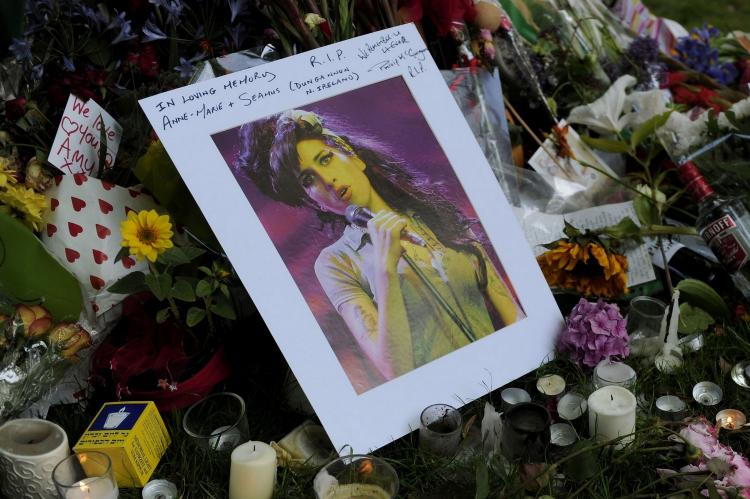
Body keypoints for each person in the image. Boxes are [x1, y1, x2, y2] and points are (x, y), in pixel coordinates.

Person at [236, 109, 520, 381]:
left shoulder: (433, 210)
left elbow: (512, 313)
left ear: (351, 154)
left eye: (325, 159)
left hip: (504, 371)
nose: (327, 180)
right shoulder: (335, 263)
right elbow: (395, 371)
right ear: (313, 201)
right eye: (308, 180)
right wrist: (385, 270)